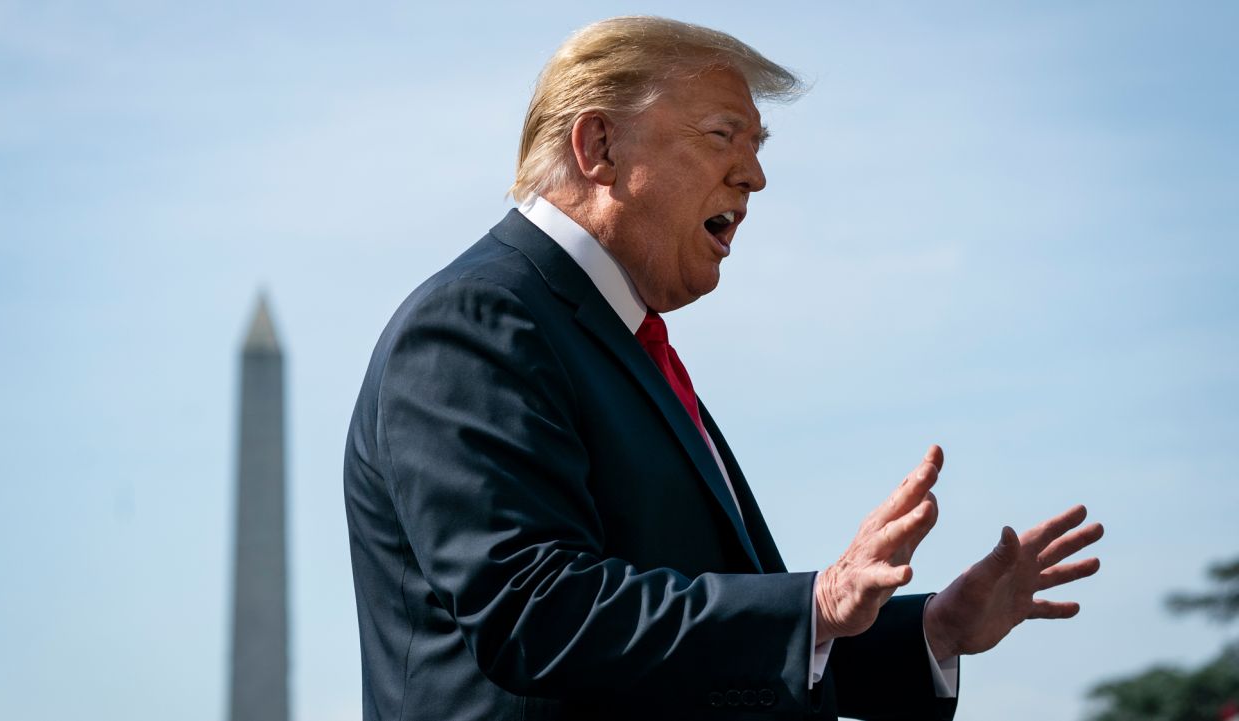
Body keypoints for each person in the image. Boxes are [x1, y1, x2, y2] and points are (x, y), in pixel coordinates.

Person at [343, 16, 1103, 721]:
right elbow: (534, 612)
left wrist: (932, 629)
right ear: (599, 147)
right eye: (722, 135)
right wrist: (815, 603)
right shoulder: (478, 319)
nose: (754, 176)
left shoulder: (614, 339)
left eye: (758, 144)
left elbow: (708, 652)